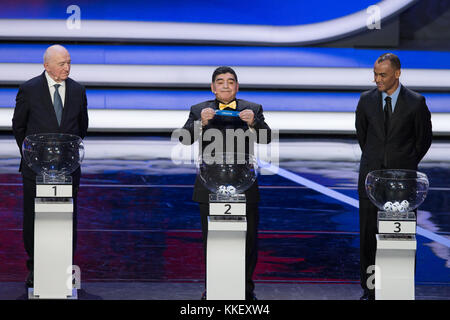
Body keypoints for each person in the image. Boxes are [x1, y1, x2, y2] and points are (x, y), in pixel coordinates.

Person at [180, 66, 271, 300]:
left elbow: (267, 138)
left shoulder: (252, 109)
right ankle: (213, 288)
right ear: (213, 87)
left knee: (248, 241)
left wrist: (255, 124)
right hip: (208, 184)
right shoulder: (199, 109)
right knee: (212, 240)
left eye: (231, 81)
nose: (226, 85)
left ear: (237, 87)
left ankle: (246, 290)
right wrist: (200, 123)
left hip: (244, 183)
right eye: (220, 82)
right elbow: (184, 138)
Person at [355, 53, 432, 300]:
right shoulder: (366, 100)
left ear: (397, 74)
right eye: (375, 75)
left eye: (383, 75)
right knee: (368, 236)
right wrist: (376, 162)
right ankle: (370, 289)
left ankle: (399, 286)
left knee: (402, 235)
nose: (377, 79)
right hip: (370, 179)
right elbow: (362, 136)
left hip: (403, 181)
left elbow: (423, 140)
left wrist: (405, 164)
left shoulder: (416, 102)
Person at [12, 44, 89, 288]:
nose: (66, 67)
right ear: (46, 65)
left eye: (68, 62)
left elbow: (81, 127)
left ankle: (64, 266)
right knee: (34, 218)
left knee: (68, 217)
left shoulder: (78, 90)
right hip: (35, 168)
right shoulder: (29, 89)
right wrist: (32, 156)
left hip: (68, 169)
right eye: (61, 63)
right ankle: (36, 266)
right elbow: (19, 127)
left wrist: (66, 155)